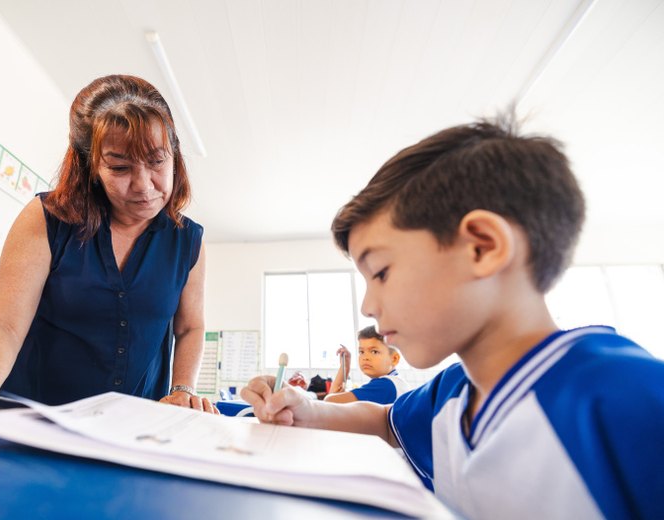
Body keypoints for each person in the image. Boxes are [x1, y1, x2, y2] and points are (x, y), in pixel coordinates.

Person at [242, 114, 664, 519]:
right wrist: (306, 409)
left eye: (382, 272)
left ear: (481, 247)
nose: (368, 306)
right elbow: (386, 422)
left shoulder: (631, 397)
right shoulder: (455, 390)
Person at [0, 75, 217, 421]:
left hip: (129, 429)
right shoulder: (48, 219)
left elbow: (189, 328)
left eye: (157, 161)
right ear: (91, 166)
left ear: (174, 155)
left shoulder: (188, 241)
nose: (144, 185)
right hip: (30, 422)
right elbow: (4, 323)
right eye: (120, 167)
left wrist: (182, 389)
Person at [324, 326, 408, 405]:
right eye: (361, 352)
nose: (365, 358)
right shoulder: (396, 383)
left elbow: (329, 403)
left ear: (394, 359)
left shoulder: (385, 386)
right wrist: (345, 367)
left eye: (374, 351)